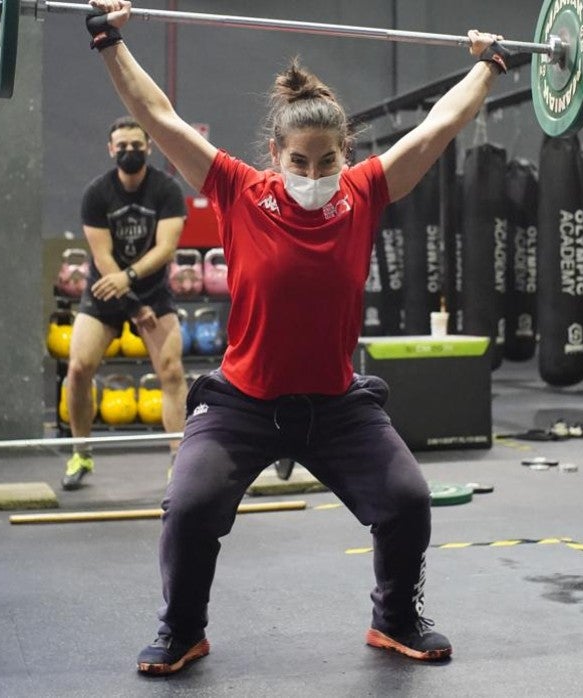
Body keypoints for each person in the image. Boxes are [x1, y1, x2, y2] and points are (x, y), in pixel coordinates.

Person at [86, 0, 509, 675]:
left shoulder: (365, 192)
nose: (314, 175)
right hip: (242, 404)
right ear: (275, 154)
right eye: (300, 161)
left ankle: (394, 618)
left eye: (326, 161)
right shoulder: (238, 190)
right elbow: (159, 117)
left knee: (407, 501)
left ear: (347, 154)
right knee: (188, 507)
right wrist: (109, 40)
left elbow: (436, 129)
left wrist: (486, 67)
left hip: (336, 406)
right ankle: (183, 630)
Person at [63, 115, 188, 490]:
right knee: (78, 368)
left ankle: (179, 462)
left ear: (148, 148)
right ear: (110, 149)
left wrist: (132, 283)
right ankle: (81, 453)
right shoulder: (97, 194)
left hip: (152, 290)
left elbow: (166, 248)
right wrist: (131, 302)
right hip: (105, 290)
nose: (129, 152)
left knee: (171, 371)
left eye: (137, 146)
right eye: (122, 146)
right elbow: (102, 258)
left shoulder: (166, 190)